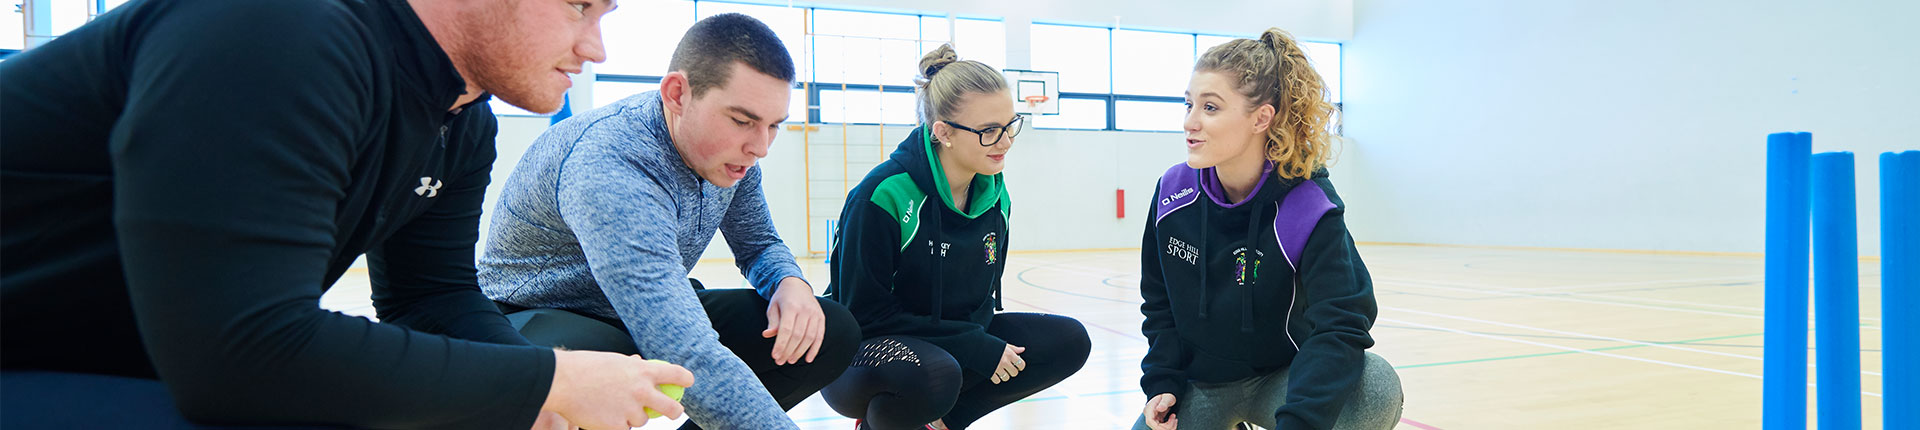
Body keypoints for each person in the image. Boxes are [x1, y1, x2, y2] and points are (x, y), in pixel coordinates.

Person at [0, 0, 694, 429]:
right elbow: (242, 354)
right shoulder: (281, 29)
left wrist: (537, 397)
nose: (596, 47)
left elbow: (433, 297)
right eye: (579, 5)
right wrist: (552, 379)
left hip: (107, 365)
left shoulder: (459, 120)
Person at [479, 13, 860, 430]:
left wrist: (791, 284)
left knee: (827, 329)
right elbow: (682, 346)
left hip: (644, 310)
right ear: (677, 93)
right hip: (543, 317)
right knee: (583, 375)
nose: (760, 146)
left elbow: (758, 244)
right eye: (742, 120)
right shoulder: (612, 161)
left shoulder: (735, 159)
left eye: (773, 126)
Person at [1135, 28, 1405, 430]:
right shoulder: (1173, 192)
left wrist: (1301, 421)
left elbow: (1343, 321)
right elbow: (1158, 302)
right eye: (1188, 104)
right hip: (1201, 385)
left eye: (1210, 108)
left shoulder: (1308, 204)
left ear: (1261, 118)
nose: (1190, 122)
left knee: (1376, 385)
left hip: (1284, 379)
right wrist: (1162, 380)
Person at [820, 43, 1091, 430]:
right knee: (938, 373)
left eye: (1010, 124)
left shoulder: (996, 197)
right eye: (988, 131)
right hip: (861, 354)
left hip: (947, 344)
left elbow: (979, 306)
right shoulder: (882, 196)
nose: (1005, 141)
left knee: (1069, 341)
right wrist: (974, 347)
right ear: (943, 132)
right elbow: (864, 315)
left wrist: (978, 343)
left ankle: (943, 422)